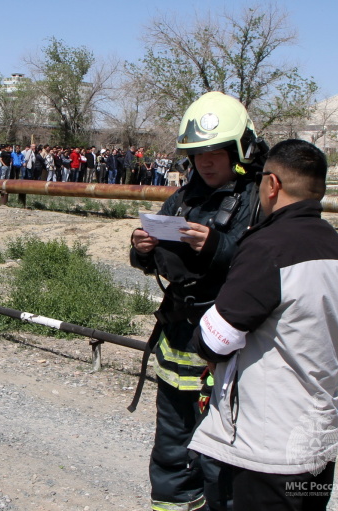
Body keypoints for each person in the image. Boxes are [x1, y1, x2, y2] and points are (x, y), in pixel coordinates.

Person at [188, 139, 338, 511]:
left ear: (273, 184)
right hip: (318, 443)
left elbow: (215, 339)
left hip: (268, 449)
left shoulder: (269, 246)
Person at [129, 91, 266, 511]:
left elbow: (259, 268)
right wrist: (141, 249)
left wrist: (216, 247)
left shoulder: (257, 200)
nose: (205, 162)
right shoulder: (185, 195)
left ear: (238, 150)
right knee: (171, 442)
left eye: (215, 152)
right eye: (197, 153)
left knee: (219, 450)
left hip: (223, 352)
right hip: (177, 339)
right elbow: (151, 262)